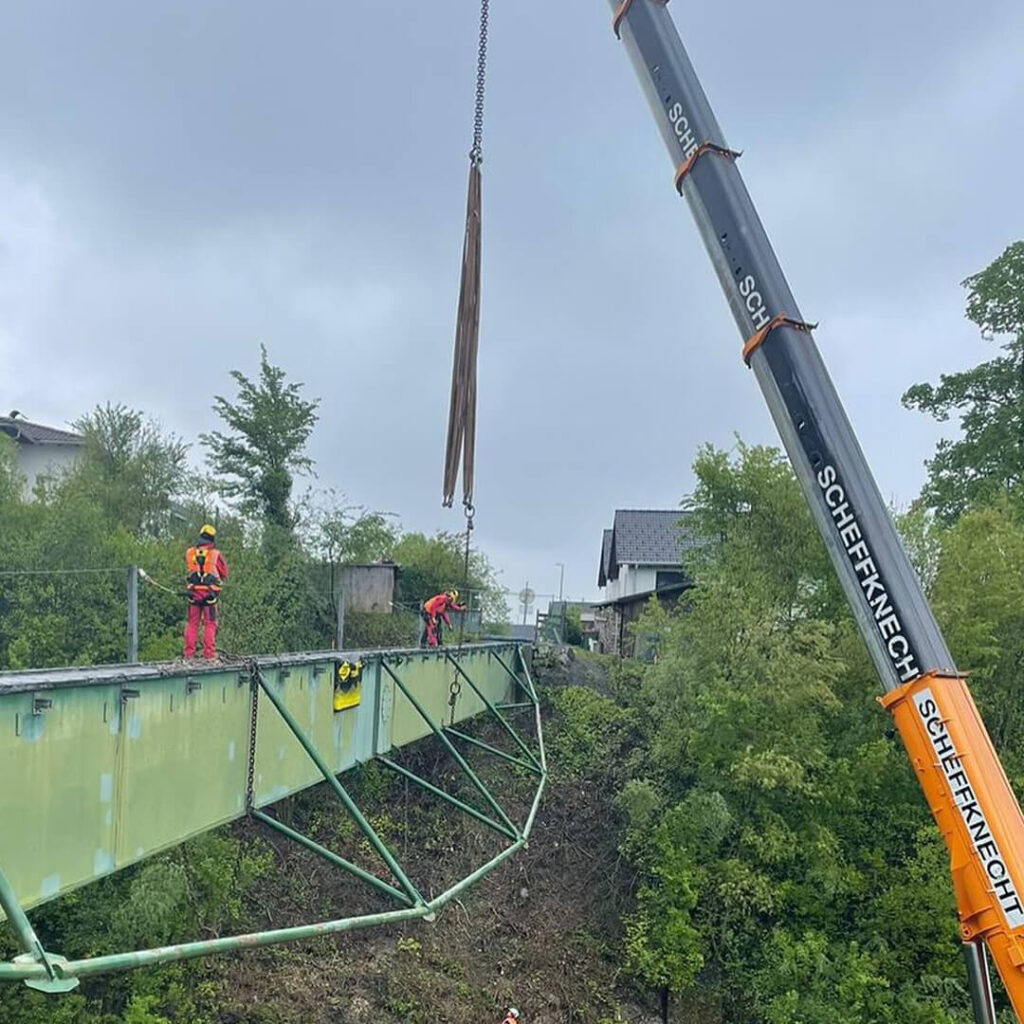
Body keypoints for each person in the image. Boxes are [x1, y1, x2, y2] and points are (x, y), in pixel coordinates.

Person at [183, 524, 228, 659]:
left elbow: (190, 570)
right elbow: (224, 573)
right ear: (212, 540)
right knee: (210, 624)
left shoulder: (190, 553)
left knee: (192, 624)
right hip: (210, 596)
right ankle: (208, 655)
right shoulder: (215, 554)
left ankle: (188, 654)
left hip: (194, 596)